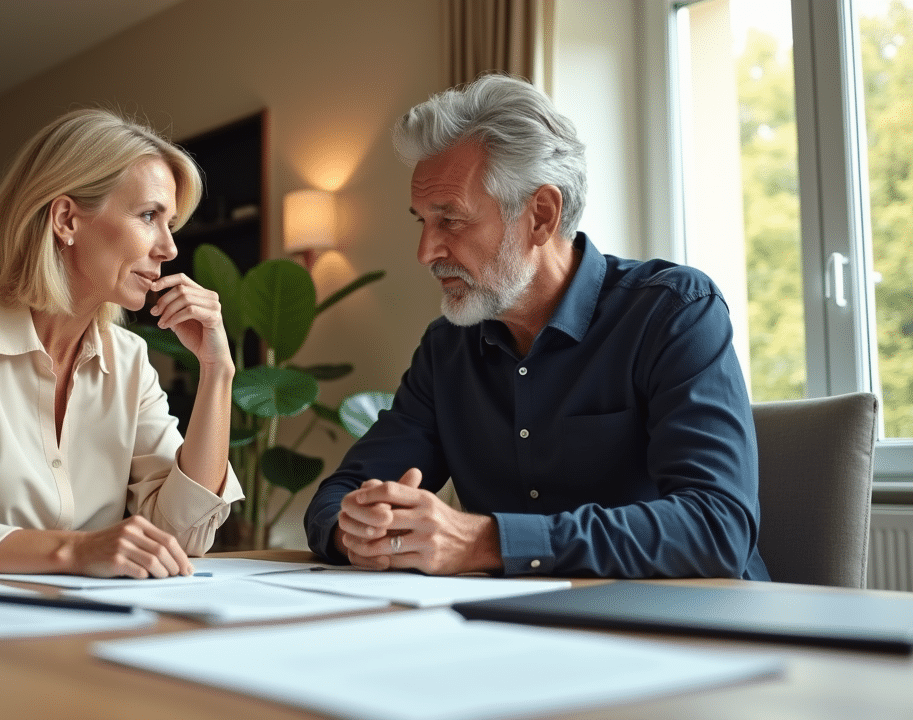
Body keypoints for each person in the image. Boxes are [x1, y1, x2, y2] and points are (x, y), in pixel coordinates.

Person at [304, 74, 769, 580]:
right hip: (522, 634)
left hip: (692, 631)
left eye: (451, 220)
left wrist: (486, 542)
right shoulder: (447, 349)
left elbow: (717, 527)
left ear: (541, 216)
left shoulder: (675, 313)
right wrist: (356, 527)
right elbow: (340, 494)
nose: (426, 253)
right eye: (422, 221)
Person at [0, 109, 243, 577]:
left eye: (170, 223)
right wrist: (72, 552)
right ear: (66, 219)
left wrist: (217, 371)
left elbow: (184, 537)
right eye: (149, 216)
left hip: (62, 631)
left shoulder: (130, 361)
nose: (169, 248)